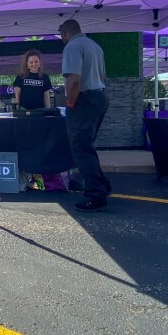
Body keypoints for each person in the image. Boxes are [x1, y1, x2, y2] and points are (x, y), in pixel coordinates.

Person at [60, 19, 111, 212]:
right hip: (99, 97)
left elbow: (73, 81)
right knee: (87, 146)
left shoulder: (72, 46)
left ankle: (95, 195)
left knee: (80, 148)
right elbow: (104, 76)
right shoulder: (94, 46)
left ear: (64, 33)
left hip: (84, 100)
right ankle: (102, 185)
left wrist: (71, 103)